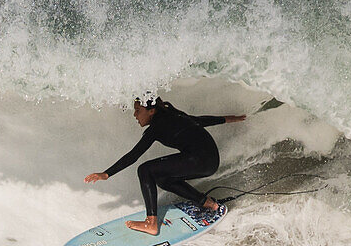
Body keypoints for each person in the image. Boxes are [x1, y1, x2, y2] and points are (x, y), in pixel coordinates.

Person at [85, 97, 246, 235]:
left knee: (145, 169)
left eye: (137, 110)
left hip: (199, 159)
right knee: (162, 179)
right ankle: (207, 203)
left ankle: (151, 223)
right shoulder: (173, 115)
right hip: (210, 161)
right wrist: (229, 118)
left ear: (151, 111)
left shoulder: (158, 126)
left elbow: (134, 155)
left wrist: (106, 174)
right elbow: (199, 120)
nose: (135, 115)